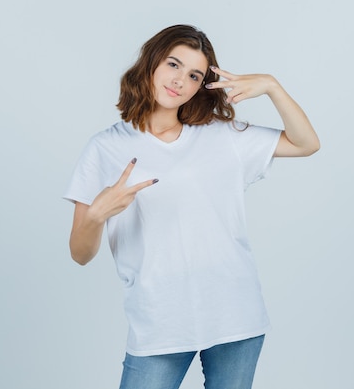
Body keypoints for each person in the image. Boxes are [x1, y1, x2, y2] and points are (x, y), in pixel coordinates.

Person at [63, 24, 319, 389]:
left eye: (194, 75)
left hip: (235, 314)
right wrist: (96, 215)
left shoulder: (223, 135)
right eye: (173, 64)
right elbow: (80, 254)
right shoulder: (104, 148)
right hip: (159, 321)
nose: (180, 80)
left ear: (202, 85)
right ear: (151, 63)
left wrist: (272, 87)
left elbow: (306, 143)